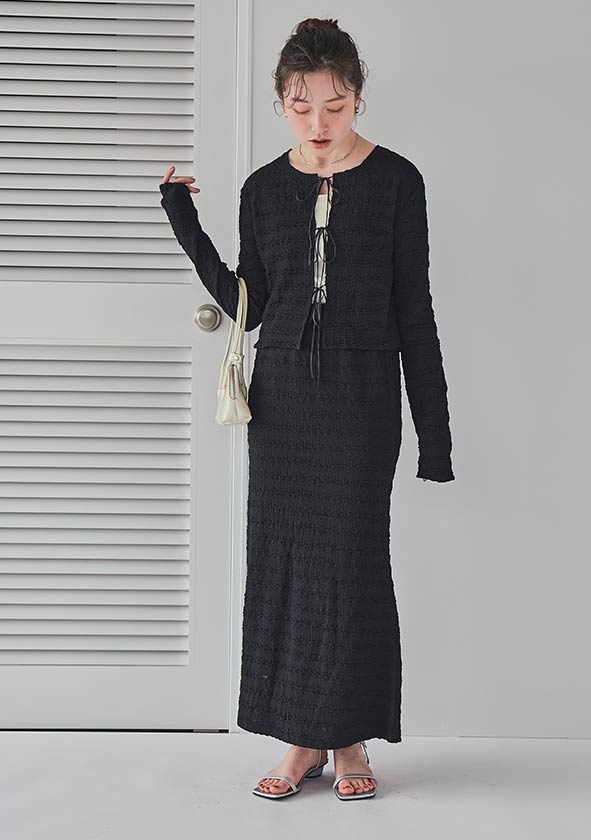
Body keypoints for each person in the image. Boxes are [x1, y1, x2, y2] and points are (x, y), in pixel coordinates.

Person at [158, 17, 455, 802]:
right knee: (286, 567)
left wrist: (434, 434)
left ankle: (348, 740)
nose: (318, 123)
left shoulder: (398, 182)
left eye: (335, 104)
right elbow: (248, 305)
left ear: (358, 97)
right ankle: (301, 740)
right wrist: (184, 224)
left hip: (361, 401)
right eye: (300, 106)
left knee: (350, 568)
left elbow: (414, 308)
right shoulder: (263, 189)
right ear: (280, 102)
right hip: (283, 401)